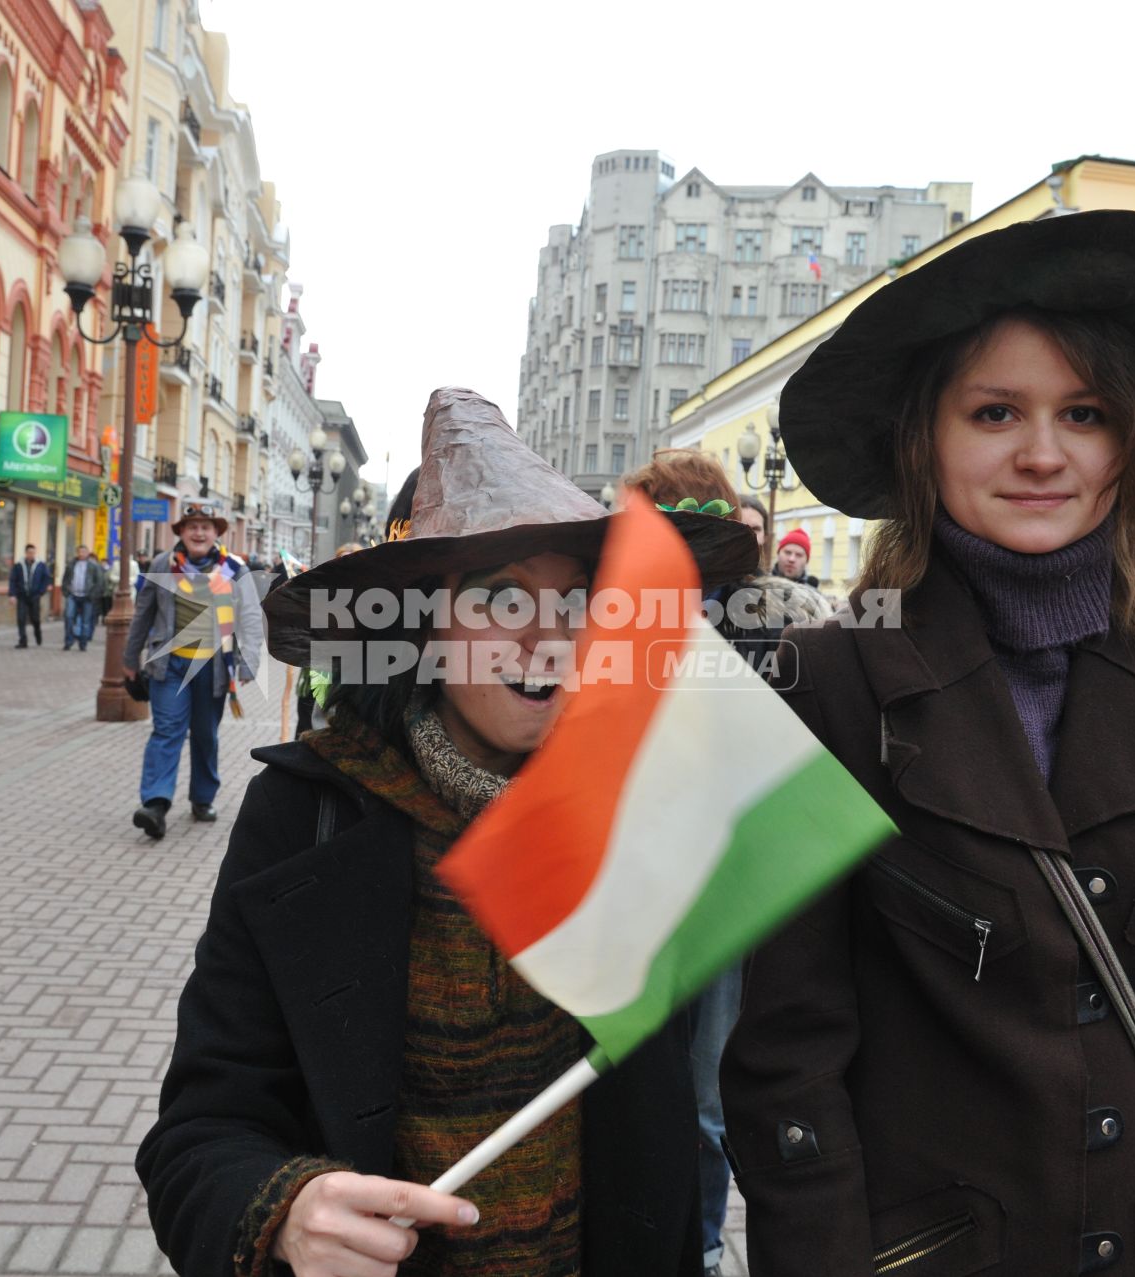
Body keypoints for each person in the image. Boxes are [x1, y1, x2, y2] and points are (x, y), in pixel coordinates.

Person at [722, 210, 1135, 1274]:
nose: (1043, 453)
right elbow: (789, 1055)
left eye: (1085, 413)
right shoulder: (827, 679)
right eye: (996, 410)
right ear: (928, 440)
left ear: (1131, 442)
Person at [135, 388, 754, 1277]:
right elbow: (199, 1134)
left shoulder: (639, 820)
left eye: (579, 602)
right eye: (502, 601)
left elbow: (687, 1125)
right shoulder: (304, 821)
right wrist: (286, 1212)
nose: (548, 636)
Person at [616, 447, 823, 1277]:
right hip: (638, 876)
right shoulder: (615, 612)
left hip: (728, 879)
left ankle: (699, 1245)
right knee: (636, 1085)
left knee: (704, 1096)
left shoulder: (785, 612)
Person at [123, 500, 265, 837]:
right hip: (168, 666)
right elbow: (143, 614)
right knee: (166, 730)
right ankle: (155, 804)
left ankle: (203, 797)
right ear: (182, 533)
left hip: (212, 667)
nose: (199, 532)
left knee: (204, 734)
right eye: (192, 527)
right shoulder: (162, 565)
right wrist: (129, 660)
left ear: (216, 533)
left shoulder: (234, 569)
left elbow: (249, 619)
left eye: (206, 526)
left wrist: (249, 663)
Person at [60, 543, 108, 652]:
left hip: (87, 597)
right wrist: (66, 592)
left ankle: (83, 643)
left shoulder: (93, 566)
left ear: (87, 553)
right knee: (69, 617)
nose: (81, 554)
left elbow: (100, 582)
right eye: (79, 552)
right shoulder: (71, 564)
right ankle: (68, 641)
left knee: (86, 621)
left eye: (84, 552)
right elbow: (65, 579)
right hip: (73, 595)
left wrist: (93, 595)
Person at [8, 544, 51, 648]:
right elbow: (13, 580)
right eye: (29, 552)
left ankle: (38, 633)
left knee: (35, 618)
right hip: (22, 596)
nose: (31, 554)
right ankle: (23, 641)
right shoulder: (18, 565)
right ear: (26, 553)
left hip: (35, 596)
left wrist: (41, 592)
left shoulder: (41, 565)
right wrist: (12, 595)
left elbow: (46, 579)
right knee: (21, 618)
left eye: (33, 552)